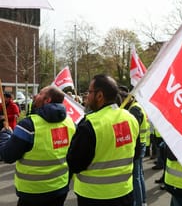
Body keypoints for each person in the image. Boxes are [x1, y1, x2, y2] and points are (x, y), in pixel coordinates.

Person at [66, 74, 139, 206]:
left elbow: (74, 163)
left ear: (99, 96)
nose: (87, 96)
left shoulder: (90, 124)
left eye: (89, 92)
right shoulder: (130, 118)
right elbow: (137, 153)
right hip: (124, 193)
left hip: (94, 196)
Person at [0, 85, 76, 206]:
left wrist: (5, 135)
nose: (35, 95)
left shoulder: (28, 125)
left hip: (33, 192)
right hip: (60, 188)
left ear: (47, 100)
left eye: (40, 93)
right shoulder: (70, 122)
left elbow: (7, 155)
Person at [119, 85, 149, 206]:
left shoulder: (134, 109)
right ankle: (143, 200)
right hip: (141, 144)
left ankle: (139, 202)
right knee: (139, 175)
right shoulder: (137, 107)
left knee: (136, 177)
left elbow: (132, 128)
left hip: (138, 145)